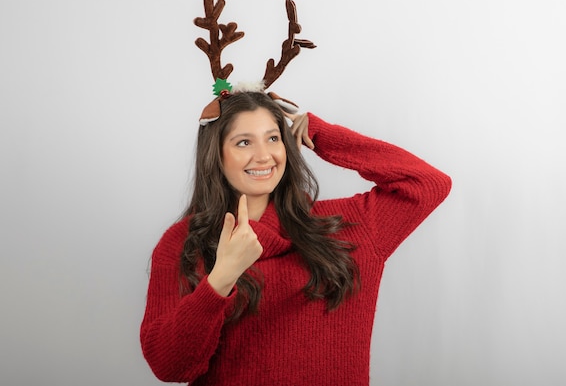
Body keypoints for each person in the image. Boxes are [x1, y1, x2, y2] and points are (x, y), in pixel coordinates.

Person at [140, 90, 452, 385]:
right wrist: (220, 279)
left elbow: (428, 185)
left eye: (273, 138)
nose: (264, 156)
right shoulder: (182, 243)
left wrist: (323, 135)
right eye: (243, 143)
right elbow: (170, 367)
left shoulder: (346, 226)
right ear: (216, 154)